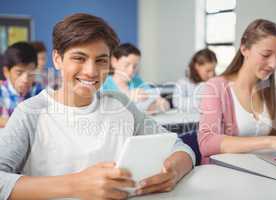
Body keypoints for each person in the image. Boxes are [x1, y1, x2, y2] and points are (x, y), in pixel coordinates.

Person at [0, 13, 195, 200]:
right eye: (79, 58)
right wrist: (75, 185)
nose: (91, 71)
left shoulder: (121, 104)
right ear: (57, 59)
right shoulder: (30, 112)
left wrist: (173, 172)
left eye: (101, 60)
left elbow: (180, 148)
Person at [198, 19, 276, 164]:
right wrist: (270, 142)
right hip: (226, 174)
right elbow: (207, 143)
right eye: (266, 54)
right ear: (244, 49)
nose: (274, 64)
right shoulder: (216, 87)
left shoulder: (270, 91)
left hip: (263, 173)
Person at [101, 43, 170, 114]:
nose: (131, 70)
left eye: (135, 66)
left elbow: (164, 104)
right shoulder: (103, 84)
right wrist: (127, 97)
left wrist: (158, 105)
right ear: (114, 62)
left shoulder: (137, 82)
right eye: (127, 65)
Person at [0, 42, 43, 128]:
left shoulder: (39, 92)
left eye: (30, 73)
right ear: (6, 72)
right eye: (19, 73)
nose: (25, 79)